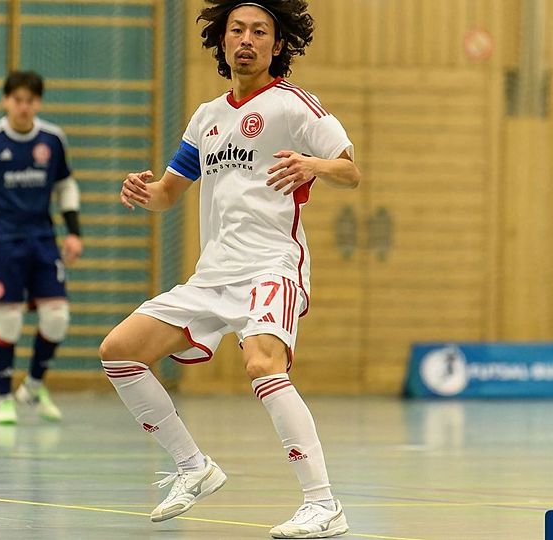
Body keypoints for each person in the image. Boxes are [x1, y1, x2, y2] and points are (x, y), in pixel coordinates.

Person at [98, 1, 360, 538]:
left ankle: (323, 503)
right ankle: (194, 467)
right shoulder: (206, 116)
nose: (246, 39)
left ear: (277, 44)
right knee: (119, 352)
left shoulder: (293, 106)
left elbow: (350, 169)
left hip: (271, 265)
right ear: (221, 41)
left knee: (263, 363)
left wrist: (314, 164)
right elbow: (168, 194)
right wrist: (141, 193)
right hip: (213, 276)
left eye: (259, 31)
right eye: (236, 30)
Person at [0, 71, 82, 425]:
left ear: (38, 103)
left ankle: (34, 386)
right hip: (3, 242)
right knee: (7, 321)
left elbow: (66, 186)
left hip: (43, 241)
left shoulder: (52, 139)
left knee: (57, 318)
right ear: (5, 101)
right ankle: (5, 397)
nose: (23, 107)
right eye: (17, 100)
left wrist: (74, 232)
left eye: (30, 101)